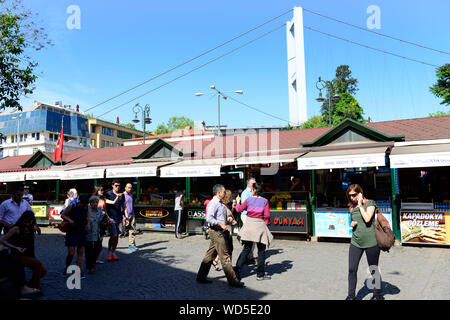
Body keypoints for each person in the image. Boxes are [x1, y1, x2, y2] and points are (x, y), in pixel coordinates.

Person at [196, 184, 244, 288]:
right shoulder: (214, 203)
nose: (225, 193)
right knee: (224, 256)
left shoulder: (219, 203)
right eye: (223, 191)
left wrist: (226, 221)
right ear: (219, 193)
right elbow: (209, 218)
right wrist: (220, 223)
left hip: (218, 231)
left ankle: (201, 276)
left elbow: (219, 217)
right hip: (217, 232)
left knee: (210, 256)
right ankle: (233, 280)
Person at [345, 184, 383, 300]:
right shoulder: (351, 207)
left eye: (354, 195)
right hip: (356, 242)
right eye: (350, 196)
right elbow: (353, 221)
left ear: (360, 193)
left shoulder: (369, 203)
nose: (352, 198)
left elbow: (367, 219)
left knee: (373, 269)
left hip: (371, 242)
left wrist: (360, 204)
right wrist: (352, 224)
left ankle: (377, 295)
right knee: (352, 269)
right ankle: (351, 296)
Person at [234, 182, 273, 281]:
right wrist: (265, 222)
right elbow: (267, 215)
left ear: (255, 190)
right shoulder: (265, 201)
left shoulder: (249, 200)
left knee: (246, 249)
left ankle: (237, 271)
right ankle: (260, 274)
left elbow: (239, 209)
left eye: (252, 190)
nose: (251, 191)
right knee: (261, 251)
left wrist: (238, 202)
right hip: (260, 226)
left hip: (249, 226)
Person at [1, 211, 46, 294]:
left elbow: (39, 233)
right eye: (25, 222)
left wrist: (37, 228)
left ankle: (29, 285)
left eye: (29, 222)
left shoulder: (32, 227)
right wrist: (15, 247)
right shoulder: (16, 228)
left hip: (29, 254)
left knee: (43, 271)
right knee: (38, 263)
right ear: (22, 220)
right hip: (17, 255)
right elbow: (3, 240)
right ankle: (37, 288)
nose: (27, 224)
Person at [61, 195, 90, 278]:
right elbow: (63, 215)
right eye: (83, 204)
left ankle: (79, 271)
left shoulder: (86, 208)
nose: (84, 206)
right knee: (71, 253)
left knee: (80, 253)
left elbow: (87, 217)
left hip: (81, 231)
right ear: (79, 202)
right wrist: (69, 220)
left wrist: (88, 224)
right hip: (72, 231)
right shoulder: (71, 207)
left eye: (85, 205)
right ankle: (66, 268)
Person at [212, 190, 237, 271]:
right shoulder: (223, 206)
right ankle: (229, 268)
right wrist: (231, 220)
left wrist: (233, 207)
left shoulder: (224, 205)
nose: (231, 198)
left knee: (224, 248)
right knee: (228, 249)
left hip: (225, 229)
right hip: (225, 229)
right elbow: (227, 217)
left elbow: (229, 214)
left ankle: (216, 261)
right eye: (230, 196)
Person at [104, 180, 124, 261]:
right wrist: (107, 217)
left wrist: (125, 216)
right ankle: (109, 252)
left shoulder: (122, 194)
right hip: (111, 217)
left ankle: (113, 252)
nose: (118, 187)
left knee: (117, 236)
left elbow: (124, 205)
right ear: (112, 185)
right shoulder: (108, 194)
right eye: (116, 185)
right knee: (113, 235)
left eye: (119, 185)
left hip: (119, 217)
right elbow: (108, 204)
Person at [239, 178, 257, 264]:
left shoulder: (253, 192)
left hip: (251, 216)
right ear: (249, 184)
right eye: (254, 183)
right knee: (250, 237)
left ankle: (249, 255)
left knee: (252, 237)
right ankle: (248, 256)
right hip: (246, 215)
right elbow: (244, 206)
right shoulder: (245, 193)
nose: (255, 185)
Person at [85, 196, 105, 274]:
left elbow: (101, 220)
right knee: (89, 250)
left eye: (96, 202)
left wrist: (105, 221)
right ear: (90, 203)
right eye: (93, 202)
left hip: (97, 232)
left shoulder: (99, 211)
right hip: (88, 233)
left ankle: (92, 263)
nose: (95, 204)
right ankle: (90, 266)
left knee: (98, 248)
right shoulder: (87, 210)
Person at [92, 185, 108, 264]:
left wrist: (108, 218)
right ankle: (92, 258)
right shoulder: (93, 199)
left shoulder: (103, 199)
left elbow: (105, 210)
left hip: (102, 221)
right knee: (95, 241)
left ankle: (96, 258)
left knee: (100, 241)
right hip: (95, 222)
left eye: (103, 190)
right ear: (97, 190)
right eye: (101, 190)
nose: (102, 191)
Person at [123, 183, 138, 251]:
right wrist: (124, 217)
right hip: (125, 215)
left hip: (132, 214)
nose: (130, 189)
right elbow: (122, 207)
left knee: (132, 230)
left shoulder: (131, 195)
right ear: (125, 188)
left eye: (131, 187)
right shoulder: (123, 195)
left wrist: (133, 213)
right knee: (122, 231)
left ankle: (131, 245)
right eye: (128, 187)